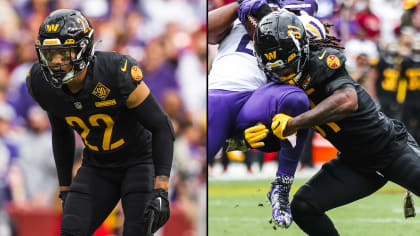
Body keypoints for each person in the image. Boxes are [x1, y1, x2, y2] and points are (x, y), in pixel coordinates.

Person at [245, 10, 420, 235]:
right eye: (275, 69)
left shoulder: (322, 60)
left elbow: (347, 101)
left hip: (390, 148)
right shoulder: (278, 85)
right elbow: (280, 136)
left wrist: (294, 123)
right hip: (355, 164)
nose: (282, 73)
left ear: (301, 49)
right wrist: (253, 138)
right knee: (303, 206)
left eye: (286, 66)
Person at [26, 9, 174, 236]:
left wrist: (161, 188)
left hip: (139, 162)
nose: (55, 62)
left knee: (136, 231)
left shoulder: (115, 72)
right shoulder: (41, 83)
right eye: (50, 53)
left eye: (63, 53)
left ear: (83, 49)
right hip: (97, 165)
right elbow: (60, 131)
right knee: (71, 231)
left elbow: (161, 125)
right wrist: (65, 188)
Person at [208, 0, 324, 228]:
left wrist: (270, 18)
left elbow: (306, 61)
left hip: (260, 98)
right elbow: (208, 30)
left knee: (296, 100)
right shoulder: (243, 17)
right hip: (217, 93)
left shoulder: (304, 20)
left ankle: (281, 187)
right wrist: (240, 6)